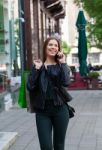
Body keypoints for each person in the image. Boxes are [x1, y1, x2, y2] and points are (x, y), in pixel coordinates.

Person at [27, 37, 71, 150]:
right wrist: (36, 69)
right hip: (42, 111)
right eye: (50, 45)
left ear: (59, 49)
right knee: (45, 146)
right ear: (45, 47)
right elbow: (30, 87)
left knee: (59, 145)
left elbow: (66, 82)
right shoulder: (38, 66)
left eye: (56, 45)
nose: (53, 47)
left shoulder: (61, 66)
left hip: (60, 109)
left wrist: (63, 63)